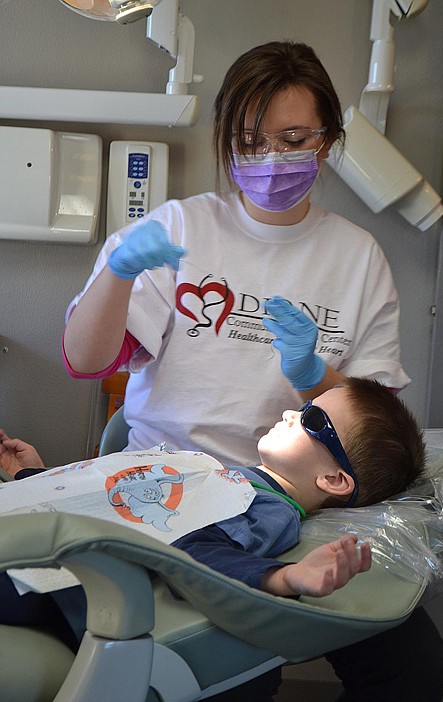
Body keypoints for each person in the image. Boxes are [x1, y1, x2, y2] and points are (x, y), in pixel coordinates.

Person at [62, 40, 410, 471]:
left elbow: (377, 427)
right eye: (248, 141)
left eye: (294, 139)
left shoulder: (359, 258)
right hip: (159, 472)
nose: (271, 157)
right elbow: (86, 362)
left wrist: (310, 374)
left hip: (286, 489)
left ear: (327, 141)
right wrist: (117, 274)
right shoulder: (179, 227)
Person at [0, 380, 443, 701]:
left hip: (34, 578)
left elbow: (201, 555)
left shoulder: (267, 510)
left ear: (332, 478)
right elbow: (119, 502)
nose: (292, 411)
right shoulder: (235, 481)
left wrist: (284, 577)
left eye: (312, 418)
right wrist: (36, 477)